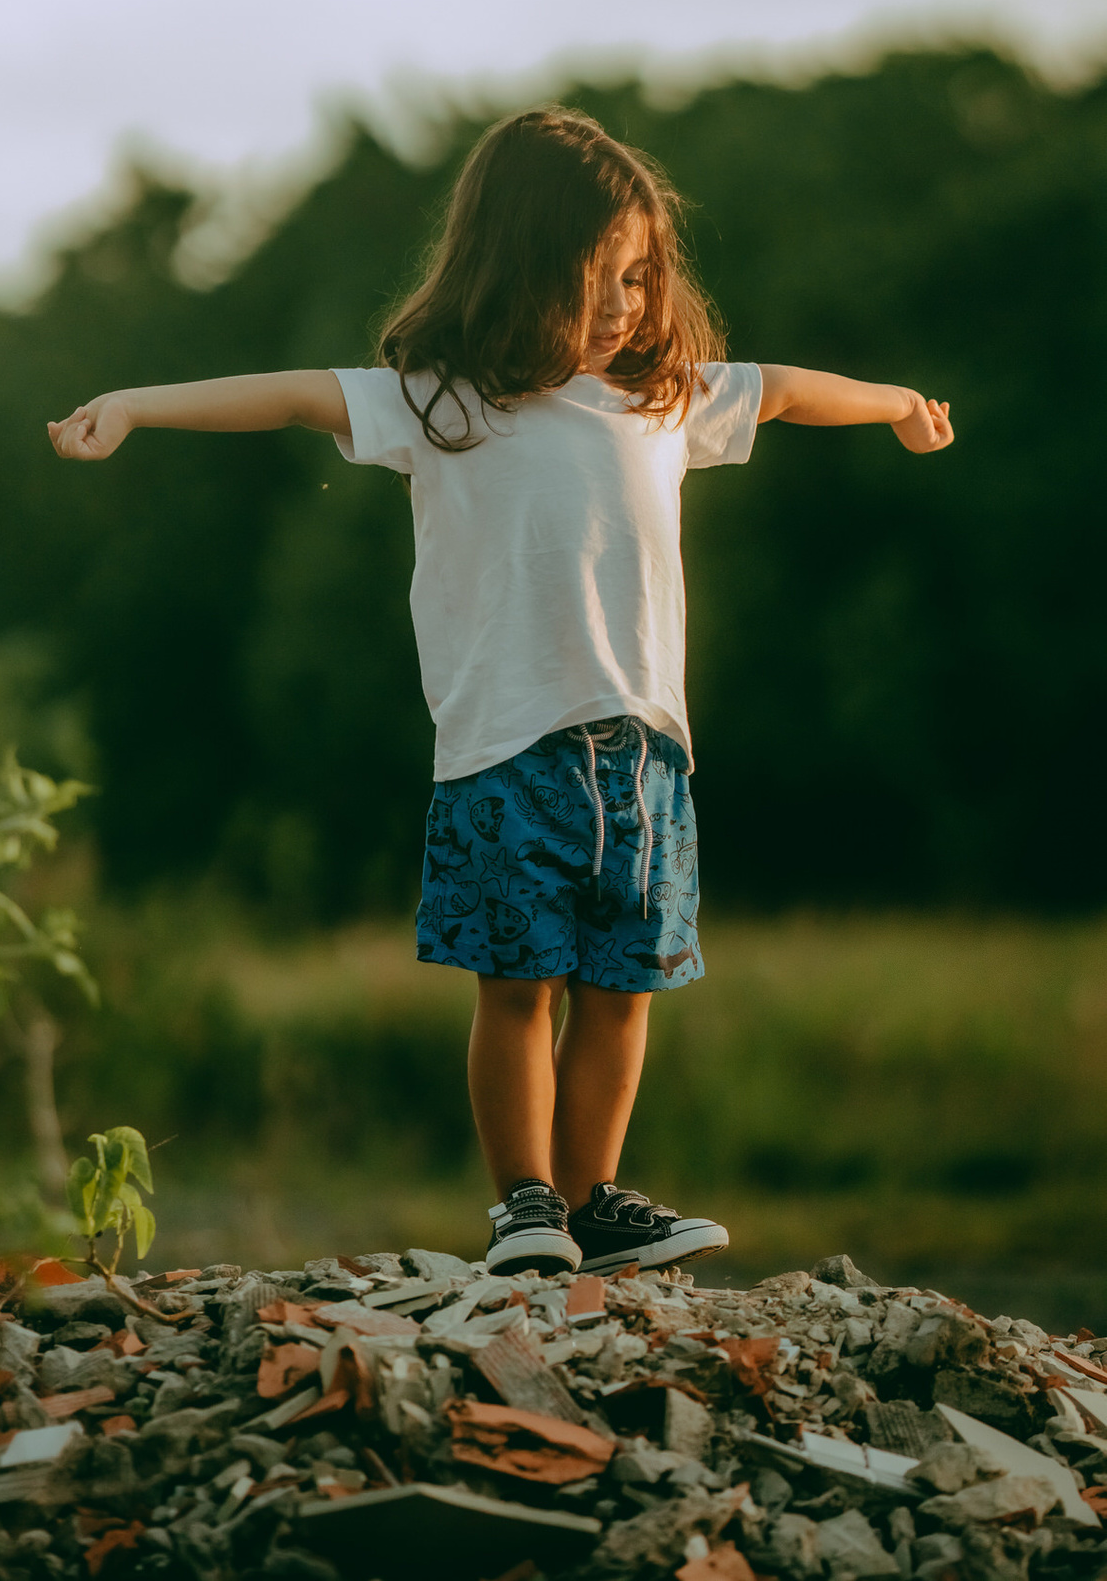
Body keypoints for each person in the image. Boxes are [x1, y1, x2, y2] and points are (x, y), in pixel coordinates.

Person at [49, 106, 954, 1279]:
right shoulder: (444, 402)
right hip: (506, 750)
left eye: (639, 277)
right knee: (518, 987)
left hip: (646, 754)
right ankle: (524, 1203)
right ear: (519, 267)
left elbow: (782, 388)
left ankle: (593, 1201)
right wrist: (133, 405)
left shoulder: (664, 399)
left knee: (623, 990)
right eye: (599, 279)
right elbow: (287, 394)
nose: (628, 305)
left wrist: (894, 402)